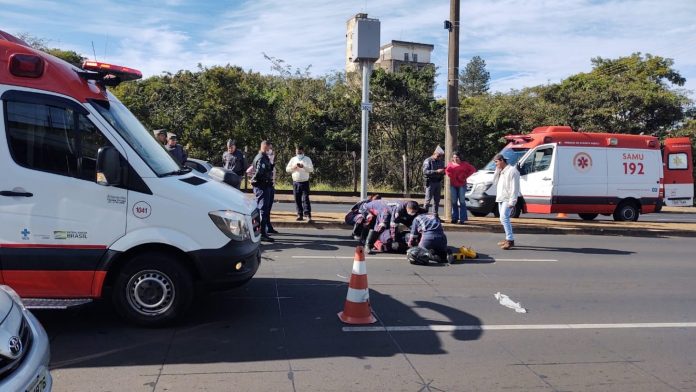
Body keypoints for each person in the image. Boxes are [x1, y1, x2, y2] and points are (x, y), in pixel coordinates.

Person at [492, 153, 520, 250]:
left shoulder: (512, 171)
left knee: (504, 218)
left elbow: (514, 188)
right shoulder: (502, 171)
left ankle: (510, 240)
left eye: (496, 162)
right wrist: (497, 171)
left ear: (502, 160)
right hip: (501, 197)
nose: (496, 164)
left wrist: (512, 201)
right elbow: (494, 182)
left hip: (508, 199)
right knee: (502, 219)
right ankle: (508, 238)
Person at [251, 141, 275, 242]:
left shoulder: (264, 157)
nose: (270, 150)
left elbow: (266, 169)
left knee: (264, 209)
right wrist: (254, 180)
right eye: (269, 147)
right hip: (262, 186)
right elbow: (259, 172)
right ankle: (261, 233)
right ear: (265, 146)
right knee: (263, 210)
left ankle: (261, 232)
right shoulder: (261, 157)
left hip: (265, 185)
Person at [445, 151, 477, 224]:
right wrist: (450, 175)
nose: (455, 159)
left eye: (457, 157)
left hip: (462, 185)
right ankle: (454, 218)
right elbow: (447, 171)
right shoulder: (450, 165)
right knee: (454, 201)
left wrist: (465, 176)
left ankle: (462, 218)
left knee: (462, 201)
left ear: (460, 157)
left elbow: (473, 170)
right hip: (453, 185)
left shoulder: (465, 164)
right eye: (454, 157)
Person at [286, 146, 314, 222]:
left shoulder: (307, 159)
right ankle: (300, 214)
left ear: (303, 151)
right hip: (296, 182)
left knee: (305, 199)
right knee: (297, 199)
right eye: (297, 152)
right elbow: (287, 169)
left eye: (300, 152)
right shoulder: (293, 159)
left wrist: (303, 167)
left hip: (304, 182)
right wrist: (293, 167)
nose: (298, 153)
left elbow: (311, 169)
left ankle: (308, 215)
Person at [423, 145, 445, 216]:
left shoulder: (441, 161)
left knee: (437, 200)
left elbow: (443, 170)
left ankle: (435, 215)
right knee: (427, 200)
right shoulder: (428, 161)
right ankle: (424, 215)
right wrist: (436, 171)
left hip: (438, 182)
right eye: (438, 156)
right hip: (430, 182)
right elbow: (425, 171)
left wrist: (443, 171)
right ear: (434, 153)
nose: (439, 157)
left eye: (441, 156)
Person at [265, 142, 278, 234]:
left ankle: (268, 226)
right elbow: (250, 170)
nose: (271, 155)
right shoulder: (264, 162)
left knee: (269, 208)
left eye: (272, 154)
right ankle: (265, 227)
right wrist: (253, 181)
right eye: (269, 154)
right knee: (265, 208)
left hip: (271, 186)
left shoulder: (272, 165)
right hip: (265, 186)